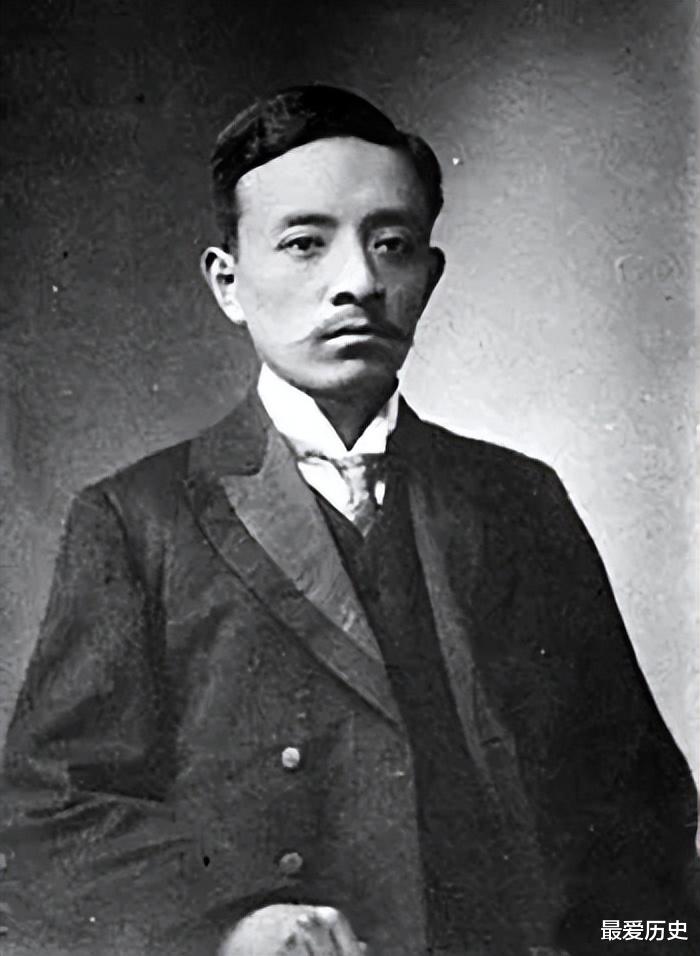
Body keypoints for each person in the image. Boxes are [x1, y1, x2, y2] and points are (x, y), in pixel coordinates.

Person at [0, 85, 697, 956]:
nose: (359, 283)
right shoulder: (139, 519)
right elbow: (46, 812)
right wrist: (231, 922)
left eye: (392, 245)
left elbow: (640, 808)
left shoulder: (520, 500)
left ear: (428, 279)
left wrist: (639, 939)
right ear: (228, 283)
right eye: (305, 243)